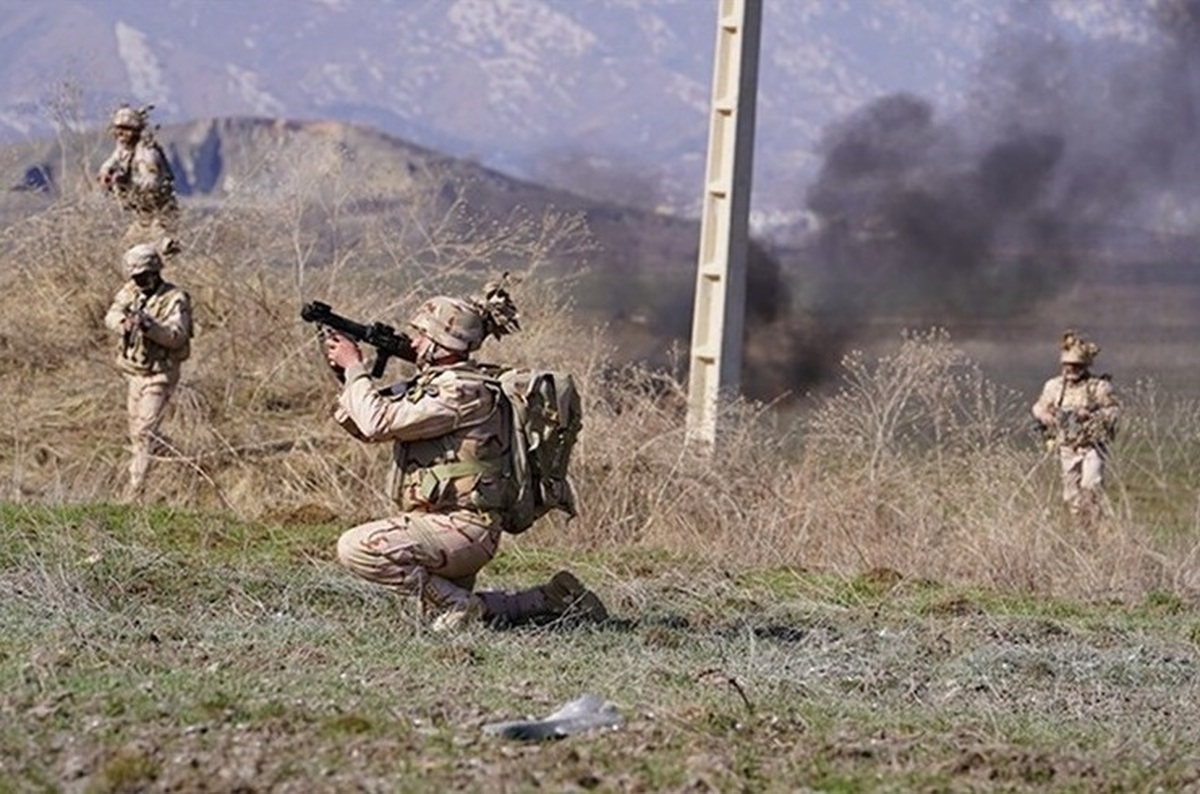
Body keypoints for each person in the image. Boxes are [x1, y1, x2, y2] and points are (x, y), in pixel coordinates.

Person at [325, 288, 608, 632]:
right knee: (441, 620)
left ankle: (455, 600)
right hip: (442, 525)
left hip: (461, 529)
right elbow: (365, 426)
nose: (412, 341)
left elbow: (377, 422)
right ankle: (549, 601)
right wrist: (349, 382)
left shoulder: (462, 391)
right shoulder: (436, 386)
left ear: (438, 342)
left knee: (357, 547)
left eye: (420, 334)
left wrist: (356, 367)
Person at [103, 244, 193, 502]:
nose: (138, 281)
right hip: (134, 373)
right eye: (135, 276)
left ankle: (135, 491)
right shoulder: (131, 292)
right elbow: (111, 315)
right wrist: (125, 323)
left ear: (155, 272)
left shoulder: (175, 299)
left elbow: (176, 337)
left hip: (160, 374)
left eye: (143, 276)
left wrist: (150, 327)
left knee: (145, 431)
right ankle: (168, 462)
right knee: (137, 433)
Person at [1031, 329, 1120, 524]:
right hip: (1066, 446)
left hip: (1092, 446)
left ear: (1084, 366)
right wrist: (1045, 415)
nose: (1070, 369)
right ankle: (1083, 531)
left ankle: (1097, 525)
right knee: (1071, 496)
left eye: (1075, 365)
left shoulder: (1099, 387)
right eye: (1067, 365)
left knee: (1091, 486)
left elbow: (1113, 411)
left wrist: (1092, 415)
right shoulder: (1053, 386)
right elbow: (1038, 406)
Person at [97, 104, 180, 254]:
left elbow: (153, 184)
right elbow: (114, 159)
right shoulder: (125, 147)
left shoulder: (146, 152)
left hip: (159, 214)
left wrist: (125, 182)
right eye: (118, 128)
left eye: (126, 128)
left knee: (158, 255)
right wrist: (106, 172)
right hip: (143, 215)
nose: (121, 133)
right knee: (127, 251)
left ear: (136, 131)